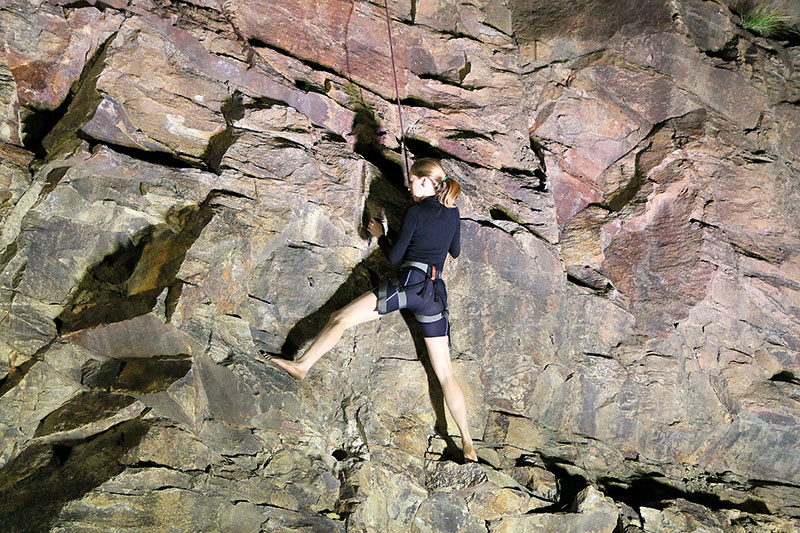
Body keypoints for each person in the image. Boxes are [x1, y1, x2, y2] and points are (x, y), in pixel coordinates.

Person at [268, 158, 477, 463]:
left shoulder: (417, 211)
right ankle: (468, 444)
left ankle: (302, 365)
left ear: (427, 183)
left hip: (408, 285)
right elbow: (454, 251)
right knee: (445, 372)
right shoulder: (453, 212)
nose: (410, 186)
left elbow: (394, 256)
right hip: (434, 295)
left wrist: (382, 233)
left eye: (415, 181)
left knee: (339, 318)